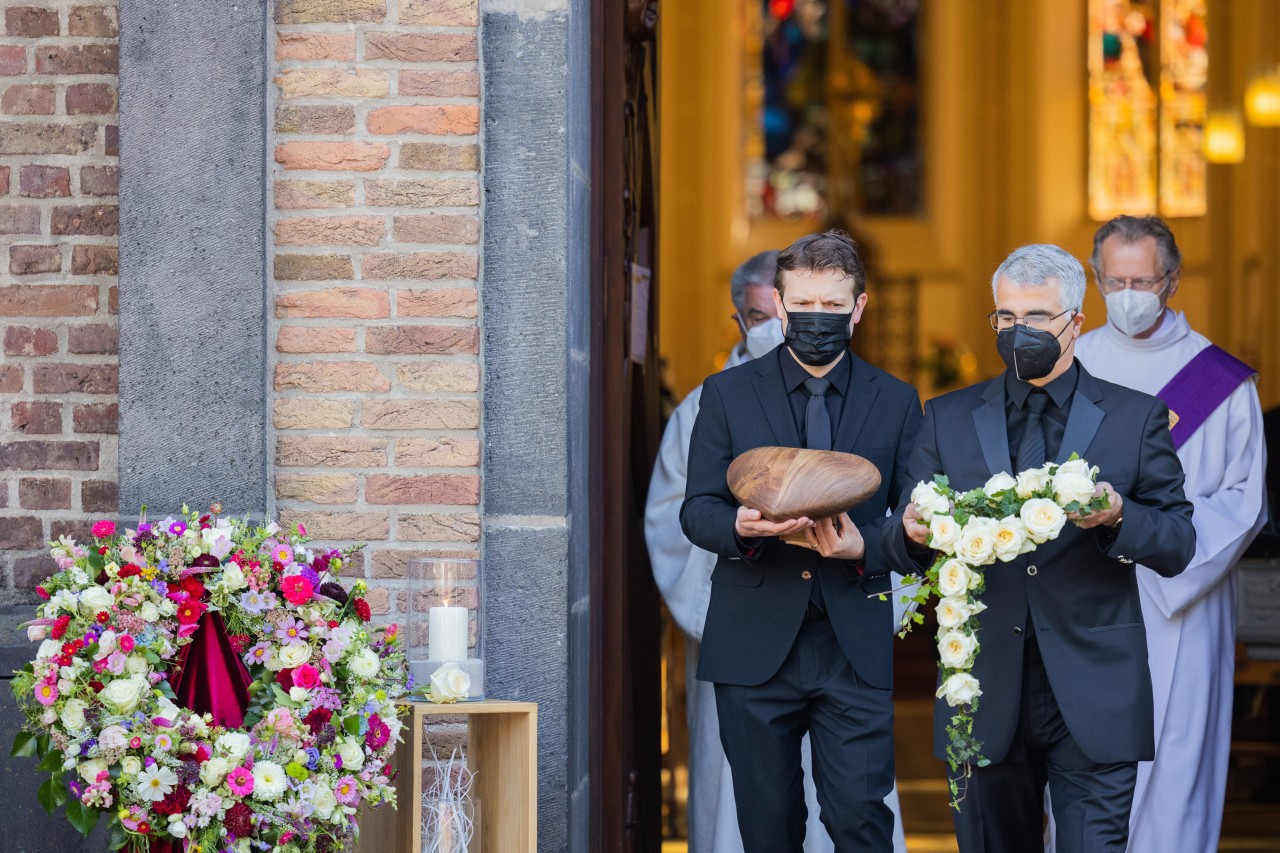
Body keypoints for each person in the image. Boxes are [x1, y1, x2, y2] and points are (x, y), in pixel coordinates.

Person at [883, 244, 1195, 853]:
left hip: (1095, 688)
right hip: (982, 686)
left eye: (1036, 318)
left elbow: (1179, 541)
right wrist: (907, 533)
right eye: (1005, 317)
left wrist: (1119, 515)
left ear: (1075, 323)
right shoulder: (946, 417)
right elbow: (904, 535)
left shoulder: (1135, 418)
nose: (1017, 331)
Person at [645, 251, 909, 853]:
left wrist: (865, 543)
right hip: (754, 642)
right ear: (781, 305)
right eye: (806, 304)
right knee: (767, 829)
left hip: (852, 644)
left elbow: (917, 518)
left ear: (859, 308)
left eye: (833, 305)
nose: (818, 317)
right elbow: (696, 510)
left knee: (861, 824)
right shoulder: (726, 394)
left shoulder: (894, 400)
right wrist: (739, 527)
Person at [1066, 215, 1267, 853]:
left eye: (1143, 280)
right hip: (1082, 596)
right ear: (1095, 280)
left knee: (1176, 764)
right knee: (1081, 771)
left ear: (1172, 281)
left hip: (1183, 597)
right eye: (1114, 280)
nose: (1128, 294)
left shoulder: (1219, 381)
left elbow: (1244, 501)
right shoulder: (1072, 364)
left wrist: (1157, 548)